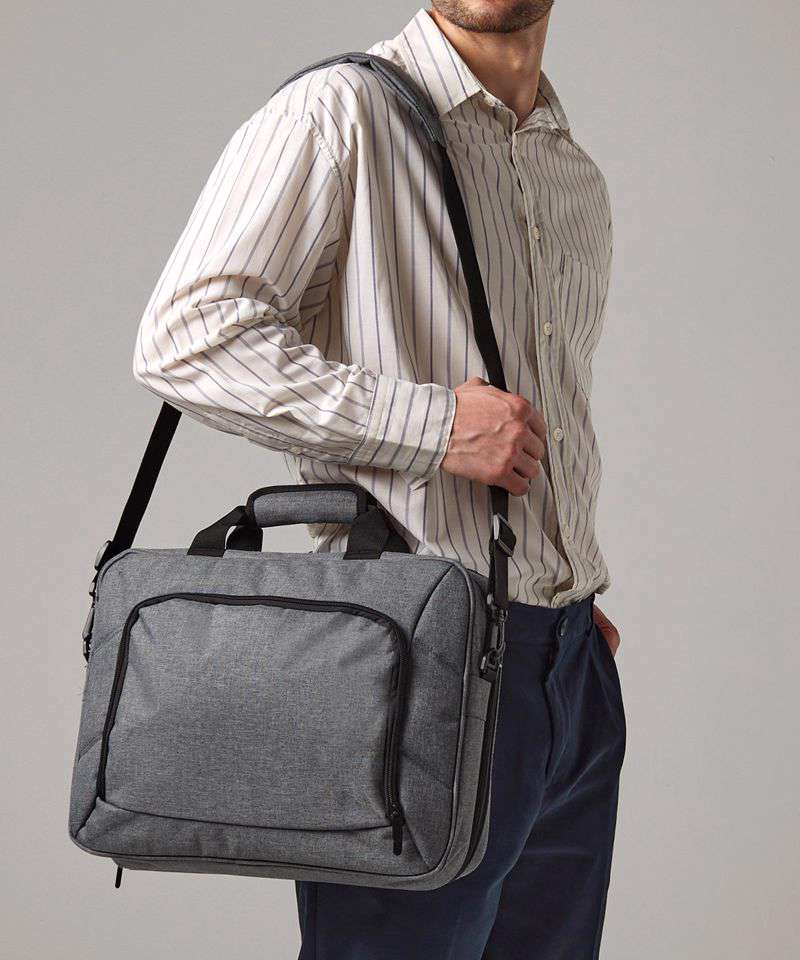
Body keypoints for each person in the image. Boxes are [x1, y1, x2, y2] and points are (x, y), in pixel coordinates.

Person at [134, 3, 626, 957]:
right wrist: (434, 427)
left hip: (565, 667)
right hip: (415, 662)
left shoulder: (573, 174)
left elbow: (551, 404)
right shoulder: (339, 114)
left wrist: (560, 587)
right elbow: (187, 339)